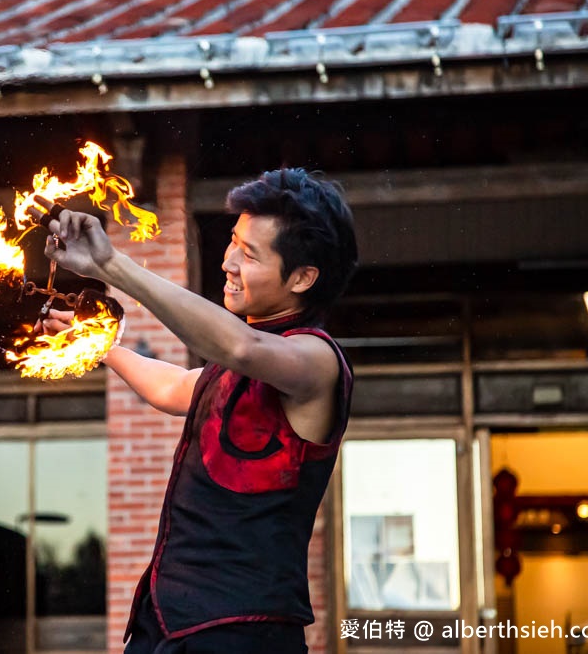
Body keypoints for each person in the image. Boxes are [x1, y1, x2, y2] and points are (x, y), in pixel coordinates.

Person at [36, 168, 358, 653]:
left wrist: (112, 266)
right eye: (233, 241)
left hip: (242, 632)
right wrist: (98, 345)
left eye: (249, 254)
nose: (228, 261)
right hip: (164, 624)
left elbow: (243, 349)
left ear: (303, 277)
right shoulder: (233, 366)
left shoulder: (316, 362)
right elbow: (174, 387)